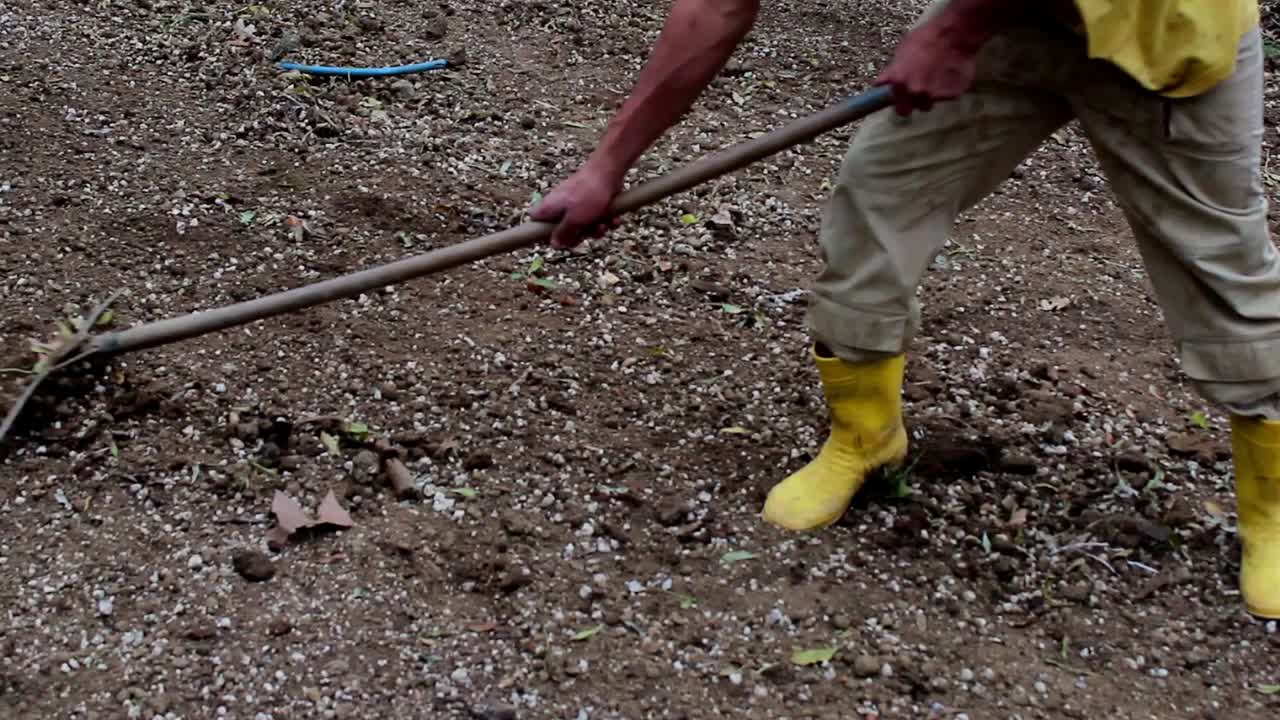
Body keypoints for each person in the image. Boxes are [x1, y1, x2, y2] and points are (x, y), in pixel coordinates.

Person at [529, 0, 1278, 621]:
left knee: (1219, 267)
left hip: (1163, 26)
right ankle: (866, 437)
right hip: (1006, 21)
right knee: (876, 199)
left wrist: (951, 33)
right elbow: (714, 6)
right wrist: (607, 166)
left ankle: (1273, 510)